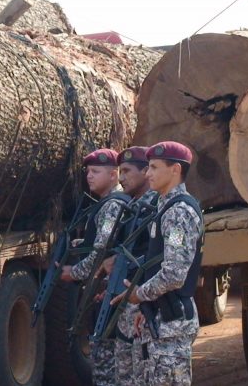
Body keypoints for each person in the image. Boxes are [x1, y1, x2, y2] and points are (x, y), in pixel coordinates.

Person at [112, 141, 204, 386]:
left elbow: (175, 273)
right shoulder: (166, 208)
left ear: (175, 170)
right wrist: (148, 306)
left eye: (154, 167)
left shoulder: (178, 212)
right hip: (162, 317)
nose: (148, 174)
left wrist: (139, 294)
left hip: (172, 321)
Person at [59, 148, 125, 386]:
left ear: (113, 175)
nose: (89, 176)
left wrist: (74, 272)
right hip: (108, 291)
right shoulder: (108, 203)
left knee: (108, 366)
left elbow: (101, 251)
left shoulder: (112, 205)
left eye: (96, 171)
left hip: (111, 292)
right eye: (88, 171)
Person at [113, 146, 158, 386]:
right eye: (120, 171)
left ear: (145, 172)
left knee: (143, 370)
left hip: (145, 298)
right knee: (128, 371)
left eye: (127, 171)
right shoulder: (132, 207)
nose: (121, 178)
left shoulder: (156, 208)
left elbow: (158, 256)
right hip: (128, 295)